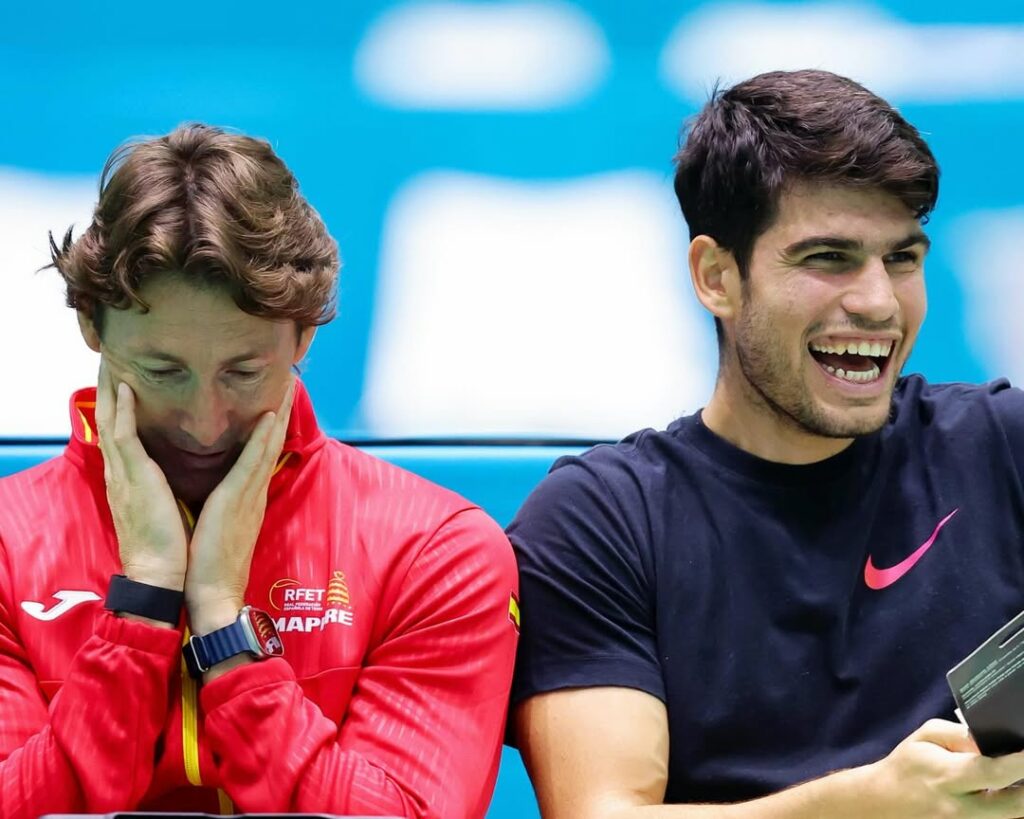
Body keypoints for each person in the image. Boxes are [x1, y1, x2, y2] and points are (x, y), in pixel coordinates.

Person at [507, 69, 1024, 818]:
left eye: (902, 259)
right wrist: (873, 804)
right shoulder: (600, 521)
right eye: (828, 258)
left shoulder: (1002, 446)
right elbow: (602, 813)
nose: (878, 301)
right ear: (716, 277)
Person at [0, 124, 518, 818]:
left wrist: (224, 628)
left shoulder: (436, 551)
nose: (204, 421)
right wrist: (143, 606)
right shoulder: (6, 546)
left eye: (243, 373)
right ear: (91, 323)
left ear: (304, 334)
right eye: (162, 372)